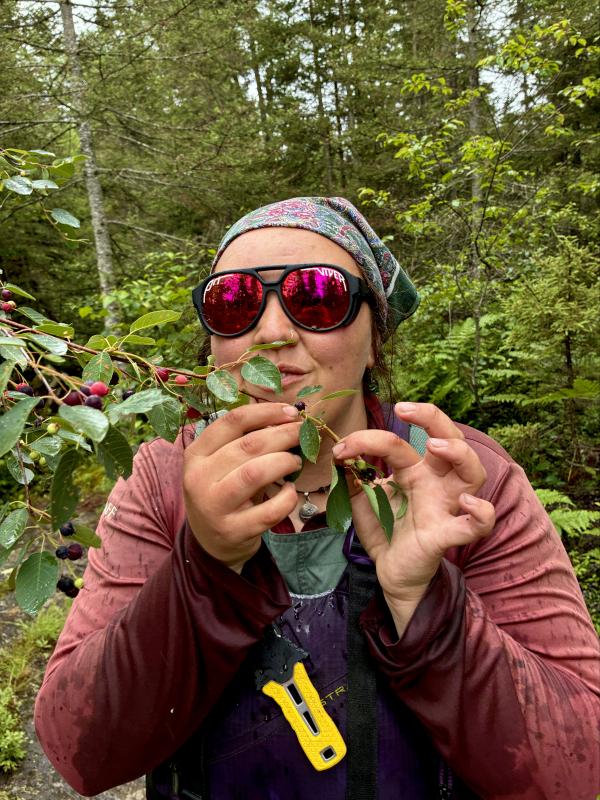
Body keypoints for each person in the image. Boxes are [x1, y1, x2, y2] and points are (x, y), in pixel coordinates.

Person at [35, 197, 599, 800]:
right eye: (235, 303)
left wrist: (425, 603)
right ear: (212, 350)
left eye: (317, 298)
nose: (272, 331)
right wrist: (206, 565)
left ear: (375, 338)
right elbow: (81, 752)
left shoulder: (465, 478)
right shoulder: (162, 478)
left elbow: (580, 769)